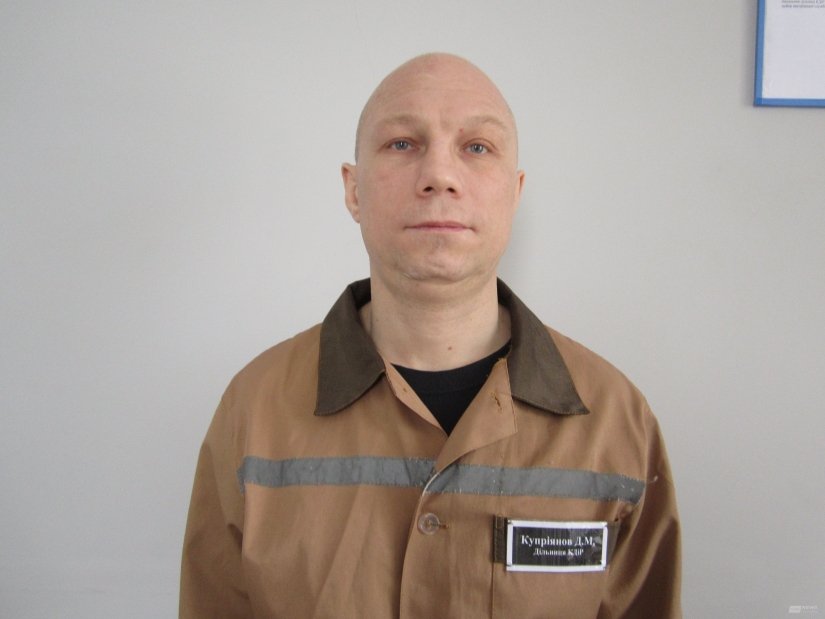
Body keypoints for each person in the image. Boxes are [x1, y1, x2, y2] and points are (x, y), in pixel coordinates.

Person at [180, 52, 681, 618]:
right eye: (402, 143)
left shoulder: (616, 419)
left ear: (515, 193)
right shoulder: (254, 409)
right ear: (353, 190)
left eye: (477, 147)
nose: (439, 175)